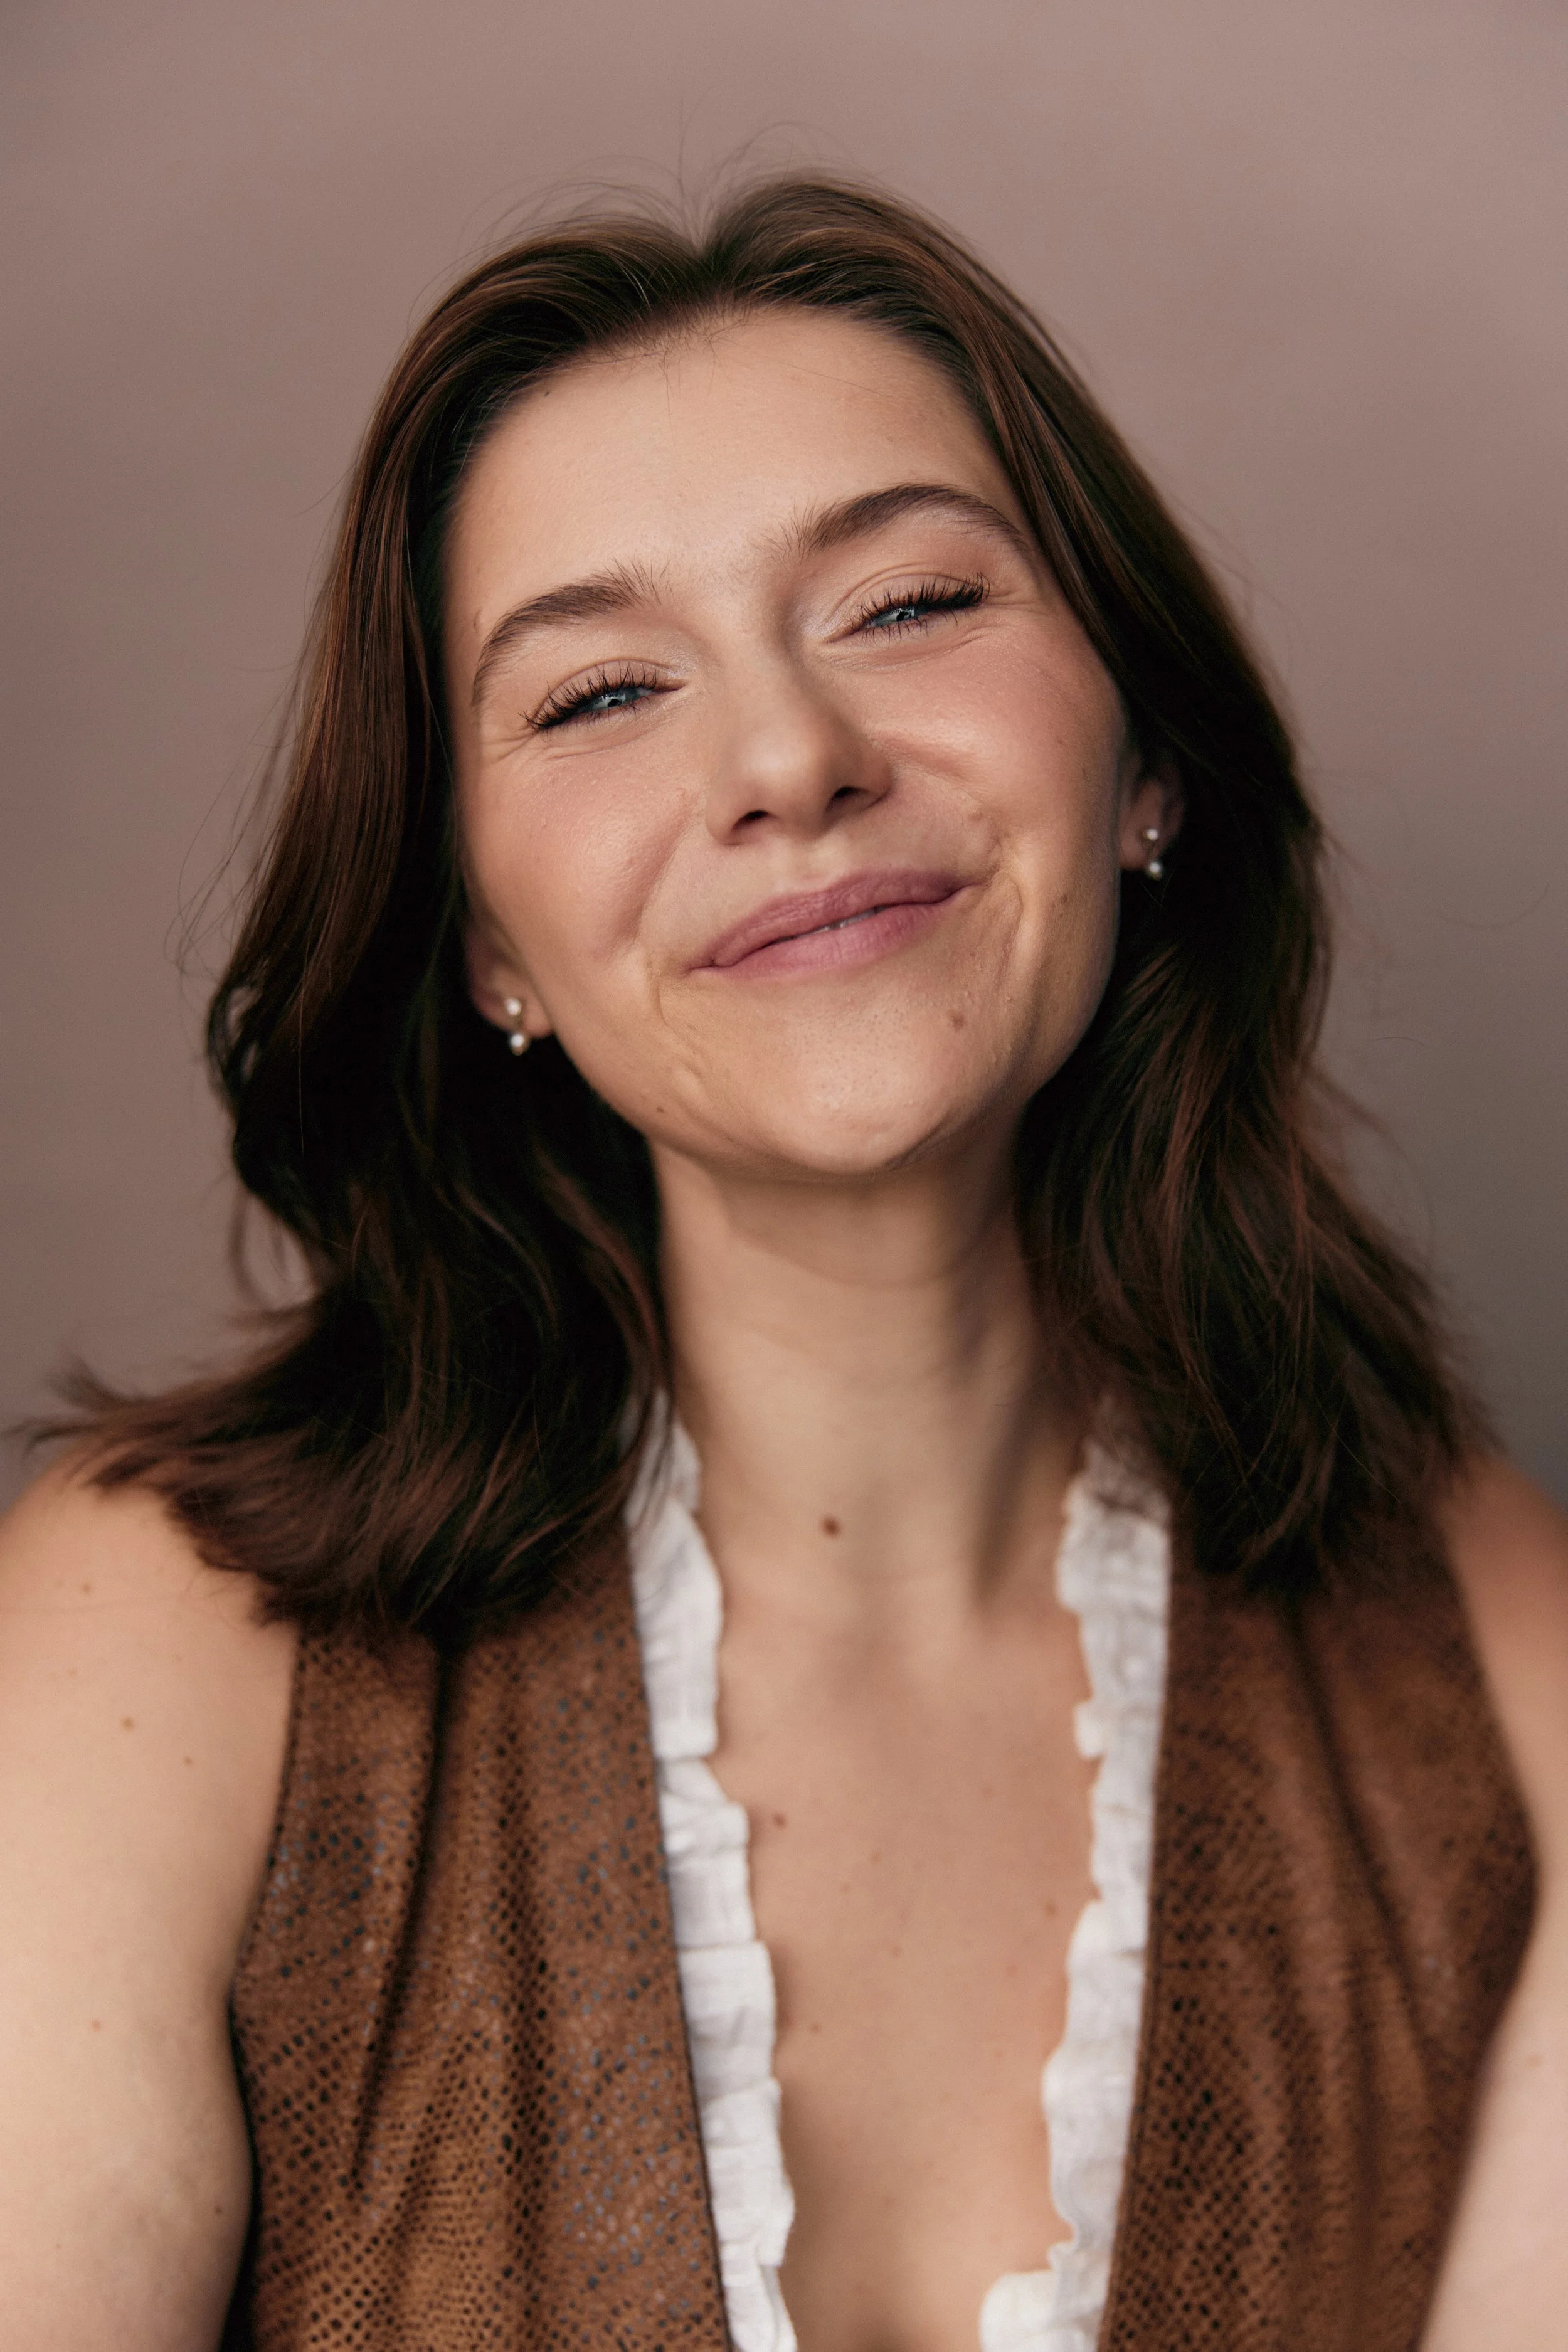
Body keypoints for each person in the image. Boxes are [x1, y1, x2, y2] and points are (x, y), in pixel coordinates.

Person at [1, 177, 1563, 2352]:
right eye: (600, 690)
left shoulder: (1486, 1642)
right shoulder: (146, 1649)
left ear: (1147, 766)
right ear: (483, 947)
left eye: (908, 600)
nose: (786, 763)